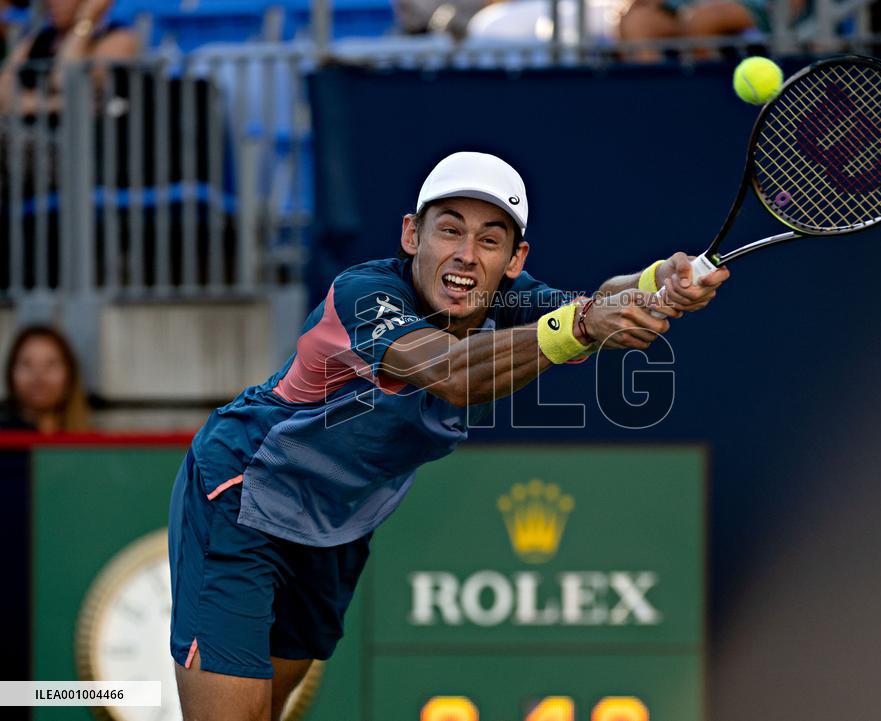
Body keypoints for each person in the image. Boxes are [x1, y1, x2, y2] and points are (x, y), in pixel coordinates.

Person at [168, 151, 729, 721]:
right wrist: (582, 326)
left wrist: (659, 282)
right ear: (413, 235)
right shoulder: (364, 293)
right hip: (244, 492)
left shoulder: (511, 301)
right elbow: (454, 372)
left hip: (336, 524)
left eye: (490, 240)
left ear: (515, 260)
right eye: (449, 229)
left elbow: (590, 303)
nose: (465, 254)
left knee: (268, 709)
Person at [0, 0, 138, 115]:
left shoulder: (118, 37)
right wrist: (55, 104)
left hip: (92, 144)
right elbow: (2, 93)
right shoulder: (40, 38)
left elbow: (65, 80)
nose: (53, 2)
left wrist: (86, 20)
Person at [619, 0, 810, 60]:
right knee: (637, 23)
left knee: (704, 20)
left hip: (765, 9)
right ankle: (654, 98)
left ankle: (702, 99)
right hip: (688, 9)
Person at [0, 324, 91, 432]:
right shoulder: (4, 438)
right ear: (10, 373)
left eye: (50, 364)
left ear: (70, 375)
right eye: (27, 364)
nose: (38, 375)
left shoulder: (92, 443)